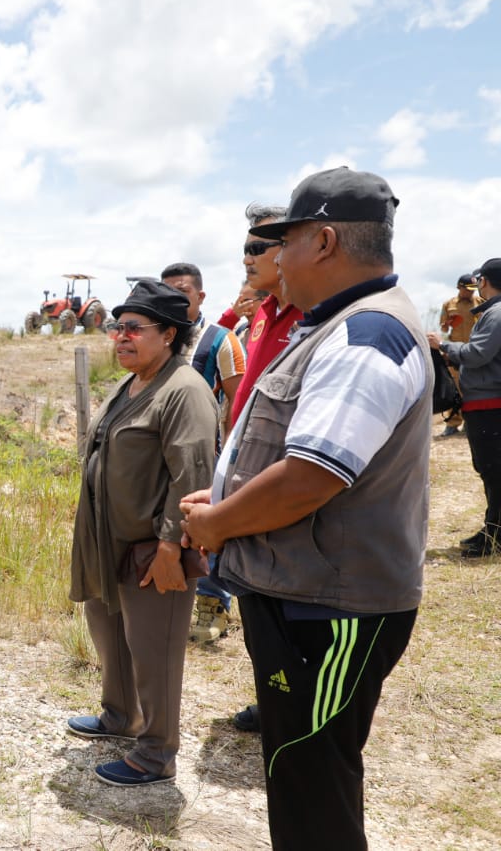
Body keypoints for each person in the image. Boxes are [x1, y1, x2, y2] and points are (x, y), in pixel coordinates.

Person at [180, 167, 428, 850]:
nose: (273, 257)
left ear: (322, 241)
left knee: (313, 785)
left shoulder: (365, 335)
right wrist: (228, 495)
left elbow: (311, 477)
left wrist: (216, 522)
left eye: (281, 241)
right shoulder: (339, 326)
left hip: (329, 607)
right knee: (300, 776)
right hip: (307, 595)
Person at [65, 280, 218, 787]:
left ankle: (156, 754)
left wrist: (173, 547)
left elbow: (193, 477)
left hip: (153, 552)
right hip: (108, 547)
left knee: (156, 653)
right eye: (117, 327)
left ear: (169, 334)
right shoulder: (130, 383)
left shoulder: (184, 390)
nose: (120, 337)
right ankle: (119, 718)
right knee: (111, 635)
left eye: (134, 328)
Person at [212, 205, 306, 732]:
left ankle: (292, 707)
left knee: (283, 599)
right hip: (244, 471)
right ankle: (273, 692)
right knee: (255, 602)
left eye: (256, 248)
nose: (245, 258)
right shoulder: (263, 312)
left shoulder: (314, 321)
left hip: (281, 477)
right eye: (244, 247)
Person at [429, 258, 501, 557]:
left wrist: (443, 346)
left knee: (493, 470)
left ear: (484, 281)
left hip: (489, 402)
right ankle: (493, 529)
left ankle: (495, 536)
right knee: (491, 470)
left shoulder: (496, 313)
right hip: (485, 400)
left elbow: (479, 352)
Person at [160, 262, 245, 436]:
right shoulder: (152, 336)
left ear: (200, 297)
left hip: (199, 445)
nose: (173, 298)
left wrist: (229, 453)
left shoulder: (221, 339)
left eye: (182, 291)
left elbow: (238, 399)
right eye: (167, 293)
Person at [436, 273, 484, 436]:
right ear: (459, 288)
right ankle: (453, 424)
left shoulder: (480, 303)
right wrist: (447, 324)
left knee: (474, 388)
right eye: (467, 289)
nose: (470, 292)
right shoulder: (448, 305)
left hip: (474, 351)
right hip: (455, 352)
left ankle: (470, 422)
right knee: (454, 388)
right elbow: (443, 329)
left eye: (473, 289)